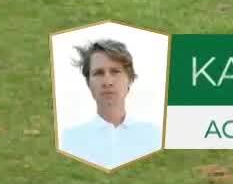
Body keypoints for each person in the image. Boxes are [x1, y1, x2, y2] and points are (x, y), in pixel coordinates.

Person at [60, 38, 162, 170]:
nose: (107, 81)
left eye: (115, 72)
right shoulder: (69, 140)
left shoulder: (154, 137)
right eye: (99, 73)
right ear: (88, 83)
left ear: (130, 79)